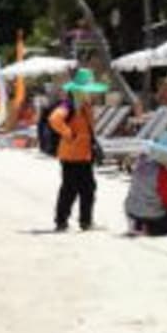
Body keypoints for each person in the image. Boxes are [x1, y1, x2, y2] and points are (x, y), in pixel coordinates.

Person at [49, 67, 106, 232]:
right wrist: (69, 134)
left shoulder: (83, 106)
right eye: (87, 90)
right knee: (70, 189)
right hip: (72, 155)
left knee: (87, 188)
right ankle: (62, 221)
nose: (90, 94)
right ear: (79, 91)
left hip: (84, 155)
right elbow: (54, 119)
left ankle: (85, 221)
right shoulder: (69, 105)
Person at [125, 131, 167, 236]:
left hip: (132, 212)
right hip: (153, 216)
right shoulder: (163, 173)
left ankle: (139, 224)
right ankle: (150, 227)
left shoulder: (141, 163)